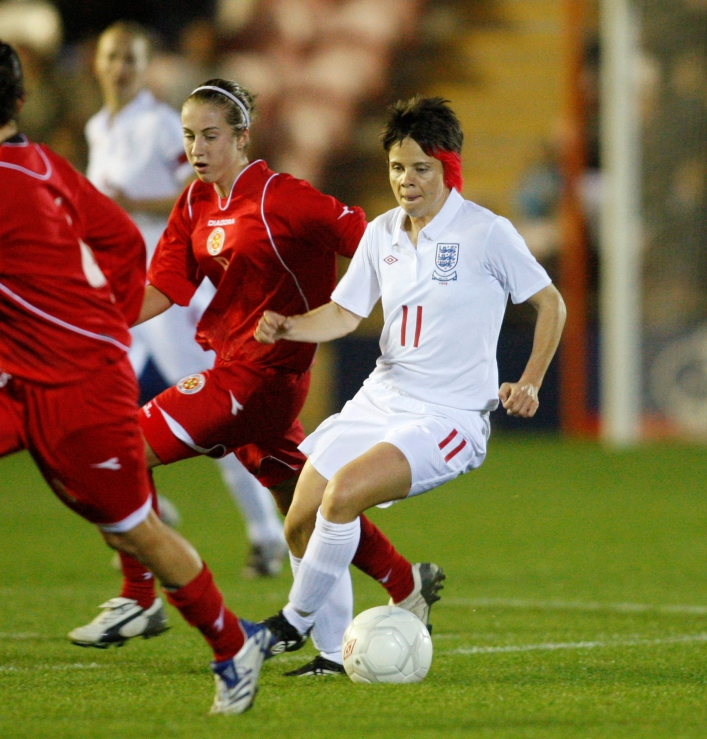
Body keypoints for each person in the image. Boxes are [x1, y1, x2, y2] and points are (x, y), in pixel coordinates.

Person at [0, 37, 274, 715]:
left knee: (134, 529)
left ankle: (233, 645)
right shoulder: (45, 164)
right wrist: (105, 306)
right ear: (21, 102)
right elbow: (115, 233)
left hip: (77, 384)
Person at [70, 78, 445, 676]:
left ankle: (140, 599)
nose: (197, 148)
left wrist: (421, 293)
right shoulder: (194, 203)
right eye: (189, 136)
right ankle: (402, 586)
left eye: (211, 136)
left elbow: (371, 240)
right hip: (235, 370)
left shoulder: (283, 198)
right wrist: (93, 321)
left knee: (121, 451)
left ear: (242, 138)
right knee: (307, 504)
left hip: (262, 376)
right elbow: (167, 288)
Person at [255, 97, 567, 674]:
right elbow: (346, 314)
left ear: (448, 168)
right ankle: (328, 652)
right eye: (397, 168)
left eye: (420, 168)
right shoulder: (382, 233)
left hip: (446, 417)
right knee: (299, 514)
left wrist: (530, 381)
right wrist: (291, 326)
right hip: (381, 397)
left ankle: (289, 623)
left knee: (343, 493)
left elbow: (551, 303)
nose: (406, 180)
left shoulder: (484, 232)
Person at [84, 21, 287, 581]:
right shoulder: (99, 127)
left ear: (146, 66)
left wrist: (133, 202)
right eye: (112, 56)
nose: (120, 67)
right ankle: (147, 511)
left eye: (131, 57)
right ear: (96, 63)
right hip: (125, 298)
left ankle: (267, 533)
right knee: (92, 410)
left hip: (168, 296)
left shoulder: (160, 126)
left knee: (214, 419)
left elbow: (204, 186)